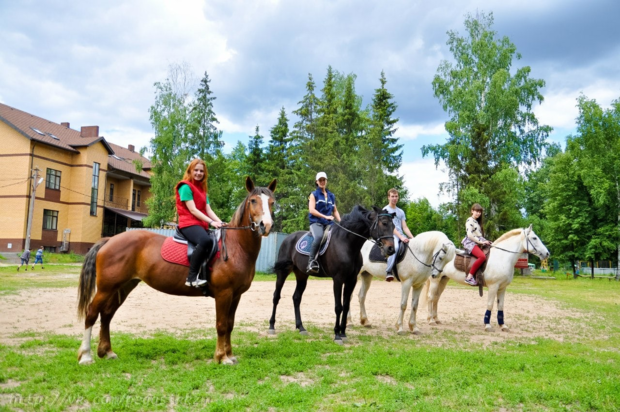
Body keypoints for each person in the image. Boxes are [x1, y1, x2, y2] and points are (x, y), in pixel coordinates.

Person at [175, 159, 224, 287]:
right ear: (190, 171)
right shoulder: (185, 187)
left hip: (200, 224)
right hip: (188, 223)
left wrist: (221, 222)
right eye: (195, 170)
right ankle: (191, 278)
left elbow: (208, 210)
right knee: (204, 241)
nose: (198, 173)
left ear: (204, 173)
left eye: (201, 171)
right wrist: (212, 222)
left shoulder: (202, 190)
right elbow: (193, 210)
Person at [307, 172, 341, 273]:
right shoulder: (313, 195)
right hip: (316, 222)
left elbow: (335, 211)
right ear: (317, 182)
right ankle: (311, 262)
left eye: (324, 180)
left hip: (329, 224)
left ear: (326, 181)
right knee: (319, 237)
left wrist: (341, 222)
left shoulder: (331, 196)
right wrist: (325, 216)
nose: (322, 182)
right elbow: (311, 210)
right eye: (320, 180)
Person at [384, 188, 414, 282]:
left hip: (400, 235)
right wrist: (401, 237)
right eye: (392, 196)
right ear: (388, 197)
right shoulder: (385, 210)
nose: (394, 198)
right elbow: (390, 227)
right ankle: (389, 271)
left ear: (398, 197)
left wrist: (412, 237)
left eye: (396, 196)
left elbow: (404, 227)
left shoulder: (400, 211)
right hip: (390, 235)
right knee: (396, 247)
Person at [462, 203, 492, 286]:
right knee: (482, 257)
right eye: (476, 211)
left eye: (480, 212)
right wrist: (481, 242)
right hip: (470, 242)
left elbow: (479, 236)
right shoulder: (470, 220)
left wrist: (486, 241)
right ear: (472, 211)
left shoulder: (477, 222)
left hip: (477, 241)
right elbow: (470, 235)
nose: (478, 213)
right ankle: (469, 277)